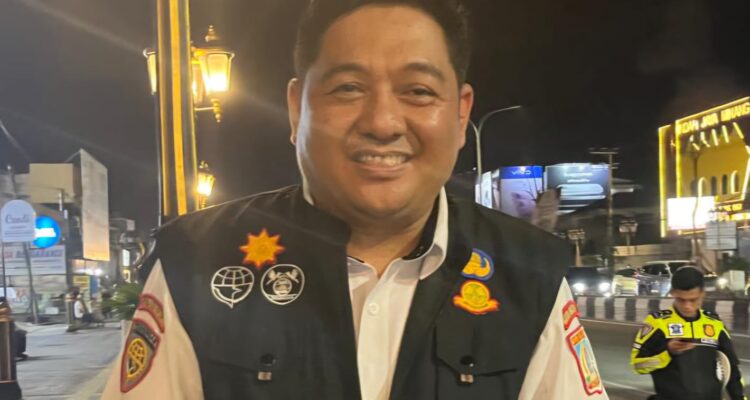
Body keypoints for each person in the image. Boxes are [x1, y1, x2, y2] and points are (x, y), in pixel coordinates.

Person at [103, 0, 607, 398]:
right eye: (348, 88)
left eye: (418, 91)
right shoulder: (197, 263)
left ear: (460, 115)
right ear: (297, 108)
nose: (383, 123)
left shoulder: (528, 276)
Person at [631, 266, 747, 400]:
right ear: (673, 293)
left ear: (702, 294)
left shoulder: (715, 324)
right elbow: (637, 365)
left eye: (693, 299)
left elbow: (732, 370)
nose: (687, 306)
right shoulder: (657, 323)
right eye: (681, 299)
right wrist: (668, 353)